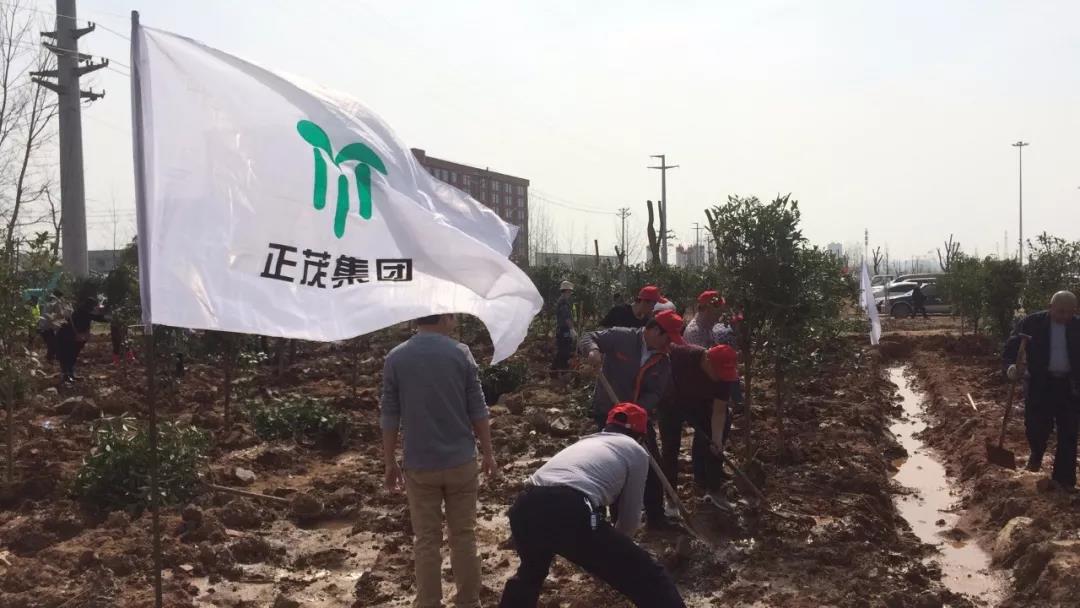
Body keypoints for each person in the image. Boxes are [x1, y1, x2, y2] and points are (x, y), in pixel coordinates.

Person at [498, 403, 687, 608]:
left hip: (525, 504)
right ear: (641, 437)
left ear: (607, 426)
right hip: (570, 507)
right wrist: (615, 553)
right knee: (650, 575)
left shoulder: (585, 442)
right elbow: (630, 518)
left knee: (531, 573)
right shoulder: (636, 451)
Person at [380, 313, 497, 608]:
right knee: (464, 536)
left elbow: (390, 414)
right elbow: (478, 408)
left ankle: (429, 602)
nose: (455, 321)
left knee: (426, 540)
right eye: (453, 315)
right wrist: (488, 452)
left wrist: (389, 461)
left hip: (420, 465)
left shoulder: (396, 358)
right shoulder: (460, 353)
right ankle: (469, 602)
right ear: (444, 317)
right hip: (461, 462)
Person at [579, 310, 684, 528]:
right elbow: (589, 336)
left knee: (651, 463)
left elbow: (655, 392)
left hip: (637, 418)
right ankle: (617, 522)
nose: (669, 345)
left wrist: (636, 410)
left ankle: (656, 517)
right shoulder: (622, 337)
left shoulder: (663, 360)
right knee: (615, 465)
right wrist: (593, 351)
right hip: (609, 413)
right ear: (654, 330)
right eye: (667, 338)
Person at [1004, 291, 1080, 489]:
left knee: (1069, 431)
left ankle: (1064, 479)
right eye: (1060, 311)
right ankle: (1036, 455)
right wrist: (1011, 367)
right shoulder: (1032, 323)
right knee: (1036, 426)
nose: (1065, 316)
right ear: (1050, 307)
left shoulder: (1077, 327)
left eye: (1070, 312)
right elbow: (1011, 348)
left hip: (1070, 386)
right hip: (1040, 383)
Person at [658, 344, 738, 499]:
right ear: (707, 360)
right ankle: (670, 496)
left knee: (711, 440)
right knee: (670, 448)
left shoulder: (724, 378)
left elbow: (719, 411)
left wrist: (716, 439)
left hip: (700, 403)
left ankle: (706, 484)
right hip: (670, 402)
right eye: (718, 372)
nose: (721, 377)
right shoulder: (682, 355)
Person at [55, 297, 106, 383]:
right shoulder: (83, 312)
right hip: (67, 337)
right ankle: (67, 375)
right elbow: (99, 318)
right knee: (68, 356)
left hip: (69, 337)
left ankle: (70, 375)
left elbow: (97, 318)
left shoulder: (81, 311)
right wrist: (109, 317)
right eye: (94, 306)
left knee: (70, 356)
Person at [551, 281, 575, 377]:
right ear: (566, 291)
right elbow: (567, 318)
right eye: (570, 291)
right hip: (564, 330)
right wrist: (572, 329)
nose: (570, 293)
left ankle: (554, 372)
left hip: (562, 329)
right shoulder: (563, 302)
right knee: (564, 351)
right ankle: (562, 372)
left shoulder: (561, 301)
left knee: (562, 351)